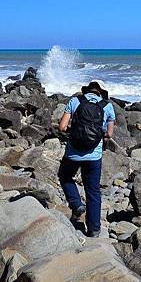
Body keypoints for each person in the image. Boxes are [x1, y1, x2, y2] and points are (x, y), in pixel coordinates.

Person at [58, 80, 115, 237]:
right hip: (94, 155)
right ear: (101, 92)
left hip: (73, 153)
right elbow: (109, 134)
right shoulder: (107, 106)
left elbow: (62, 127)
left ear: (88, 90)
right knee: (93, 191)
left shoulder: (75, 101)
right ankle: (94, 229)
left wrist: (75, 131)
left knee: (65, 176)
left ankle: (76, 204)